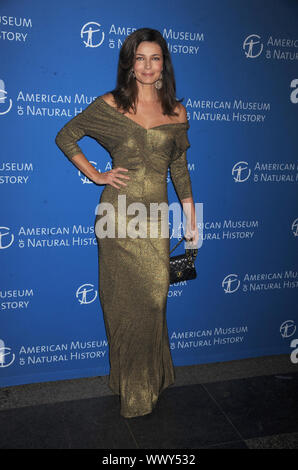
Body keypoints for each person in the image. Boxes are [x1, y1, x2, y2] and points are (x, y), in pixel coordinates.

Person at [55, 27, 199, 419]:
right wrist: (97, 175)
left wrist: (192, 219)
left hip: (155, 219)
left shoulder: (177, 112)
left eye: (155, 58)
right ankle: (133, 389)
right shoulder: (111, 105)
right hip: (117, 217)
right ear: (129, 64)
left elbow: (180, 168)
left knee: (154, 302)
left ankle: (151, 376)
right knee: (121, 306)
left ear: (164, 64)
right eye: (140, 58)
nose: (148, 66)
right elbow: (66, 136)